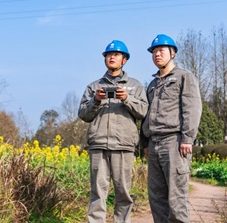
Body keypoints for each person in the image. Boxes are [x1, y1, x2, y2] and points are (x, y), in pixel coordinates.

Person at [78, 40, 148, 223]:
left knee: (123, 192)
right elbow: (83, 114)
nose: (111, 57)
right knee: (97, 192)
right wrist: (95, 100)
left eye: (116, 55)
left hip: (124, 146)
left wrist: (127, 98)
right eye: (109, 54)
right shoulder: (94, 87)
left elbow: (143, 112)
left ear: (124, 59)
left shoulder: (135, 86)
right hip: (98, 145)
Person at [140, 34, 202, 223]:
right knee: (156, 198)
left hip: (174, 142)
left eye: (161, 51)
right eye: (154, 52)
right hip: (153, 143)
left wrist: (187, 139)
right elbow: (146, 114)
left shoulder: (184, 77)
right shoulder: (152, 84)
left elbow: (192, 108)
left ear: (172, 53)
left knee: (176, 198)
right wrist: (144, 142)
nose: (157, 54)